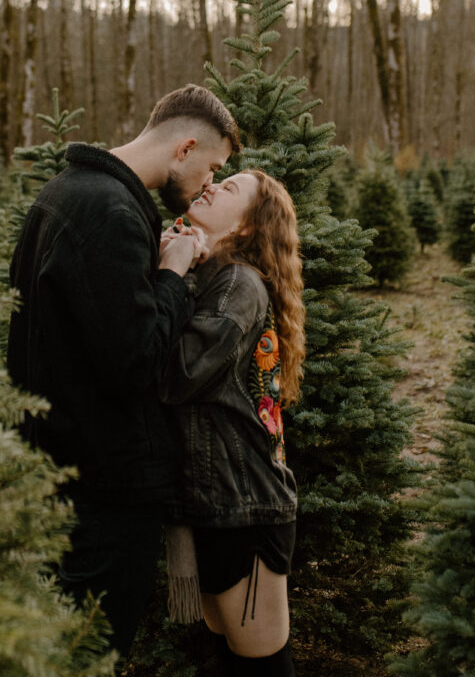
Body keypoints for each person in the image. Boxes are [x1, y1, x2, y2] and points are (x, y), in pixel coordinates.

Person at [6, 84, 241, 657]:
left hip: (58, 470)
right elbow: (136, 361)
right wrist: (172, 274)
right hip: (103, 492)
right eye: (213, 168)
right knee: (87, 655)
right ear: (184, 148)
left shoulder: (65, 192)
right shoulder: (112, 212)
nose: (209, 185)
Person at [159, 169, 305, 676]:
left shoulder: (238, 284)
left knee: (263, 666)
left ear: (245, 228)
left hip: (245, 507)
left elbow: (176, 376)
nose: (213, 186)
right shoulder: (214, 275)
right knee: (230, 662)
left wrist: (168, 278)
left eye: (231, 189)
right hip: (213, 501)